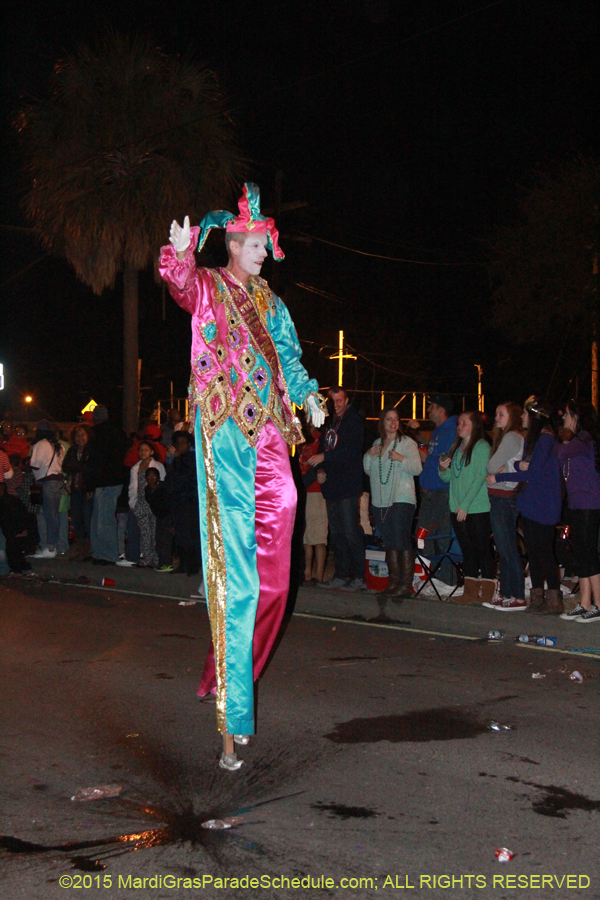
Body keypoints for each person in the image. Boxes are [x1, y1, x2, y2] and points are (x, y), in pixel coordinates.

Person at [159, 183, 325, 771]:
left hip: (272, 432)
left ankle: (225, 675)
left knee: (276, 585)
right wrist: (181, 255)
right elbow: (180, 286)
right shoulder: (208, 287)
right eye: (257, 244)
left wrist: (308, 395)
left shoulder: (271, 302)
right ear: (234, 243)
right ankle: (233, 714)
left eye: (265, 245)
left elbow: (290, 358)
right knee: (241, 583)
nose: (264, 253)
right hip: (227, 432)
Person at [490, 396, 562, 614]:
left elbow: (533, 472)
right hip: (530, 501)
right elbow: (524, 467)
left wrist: (500, 477)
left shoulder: (546, 439)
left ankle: (554, 599)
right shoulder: (534, 439)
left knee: (544, 551)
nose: (521, 417)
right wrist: (517, 466)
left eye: (524, 413)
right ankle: (537, 597)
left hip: (543, 503)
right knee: (534, 551)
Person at [311, 386, 365, 592]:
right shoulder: (330, 422)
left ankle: (359, 576)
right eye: (332, 401)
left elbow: (351, 451)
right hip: (331, 486)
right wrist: (320, 469)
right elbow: (323, 448)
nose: (336, 405)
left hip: (347, 485)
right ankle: (341, 574)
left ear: (347, 400)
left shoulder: (353, 421)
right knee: (337, 533)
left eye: (339, 400)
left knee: (351, 531)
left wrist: (325, 457)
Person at [364, 408, 422, 599]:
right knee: (389, 541)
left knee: (401, 540)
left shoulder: (407, 443)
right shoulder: (377, 444)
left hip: (401, 498)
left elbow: (417, 468)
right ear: (382, 422)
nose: (393, 422)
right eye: (389, 419)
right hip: (380, 501)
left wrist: (401, 458)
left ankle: (405, 585)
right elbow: (368, 470)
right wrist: (368, 455)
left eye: (396, 419)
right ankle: (393, 582)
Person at [439, 411, 493, 604]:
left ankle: (487, 591)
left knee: (482, 548)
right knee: (467, 549)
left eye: (464, 423)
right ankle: (470, 592)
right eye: (459, 423)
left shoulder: (481, 447)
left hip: (476, 507)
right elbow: (449, 478)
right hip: (458, 507)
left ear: (475, 426)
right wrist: (442, 468)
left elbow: (480, 477)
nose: (460, 426)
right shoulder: (456, 447)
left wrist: (465, 505)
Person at [556, 399, 600, 622]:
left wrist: (551, 438)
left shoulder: (583, 440)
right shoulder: (578, 441)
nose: (563, 418)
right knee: (581, 554)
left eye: (567, 414)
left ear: (576, 417)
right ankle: (584, 602)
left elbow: (560, 453)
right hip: (577, 503)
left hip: (589, 504)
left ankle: (598, 604)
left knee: (588, 553)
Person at [483, 402, 526, 610]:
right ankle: (506, 593)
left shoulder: (510, 437)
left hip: (503, 497)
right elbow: (494, 466)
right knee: (505, 546)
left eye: (501, 414)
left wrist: (497, 468)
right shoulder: (512, 437)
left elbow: (491, 466)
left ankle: (517, 595)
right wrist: (497, 467)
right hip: (502, 496)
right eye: (496, 414)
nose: (496, 418)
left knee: (507, 547)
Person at [411, 395, 458, 585]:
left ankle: (446, 582)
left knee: (441, 537)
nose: (429, 410)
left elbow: (445, 461)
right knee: (424, 536)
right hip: (430, 493)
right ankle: (429, 580)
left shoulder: (451, 431)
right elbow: (432, 457)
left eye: (432, 406)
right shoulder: (438, 431)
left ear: (441, 410)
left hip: (442, 493)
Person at [85, 404, 129, 565]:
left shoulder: (96, 434)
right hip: (114, 480)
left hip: (103, 481)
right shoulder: (117, 432)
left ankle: (106, 555)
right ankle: (100, 553)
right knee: (102, 519)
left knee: (102, 520)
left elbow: (95, 462)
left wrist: (90, 484)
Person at [164, 430, 201, 575]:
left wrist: (177, 459)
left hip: (189, 501)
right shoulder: (176, 459)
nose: (180, 446)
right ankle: (183, 563)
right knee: (180, 533)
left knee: (189, 534)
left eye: (183, 443)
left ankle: (192, 565)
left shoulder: (191, 458)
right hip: (178, 501)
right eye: (177, 443)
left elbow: (187, 476)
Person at [30, 419, 65, 559]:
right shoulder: (58, 445)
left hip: (47, 481)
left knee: (49, 515)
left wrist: (27, 463)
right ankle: (52, 546)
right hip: (57, 480)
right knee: (54, 514)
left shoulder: (41, 444)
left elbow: (36, 464)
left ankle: (50, 548)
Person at [127, 441, 166, 567]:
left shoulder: (158, 466)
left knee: (155, 532)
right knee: (145, 533)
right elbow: (133, 487)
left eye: (146, 450)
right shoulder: (135, 468)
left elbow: (163, 483)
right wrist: (133, 503)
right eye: (141, 450)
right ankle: (147, 558)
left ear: (152, 452)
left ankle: (157, 559)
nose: (143, 452)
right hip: (141, 504)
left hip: (154, 503)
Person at [298, 420, 328, 584]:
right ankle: (307, 572)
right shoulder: (302, 442)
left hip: (316, 491)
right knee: (306, 536)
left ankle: (318, 575)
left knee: (318, 536)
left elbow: (324, 464)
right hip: (304, 492)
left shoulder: (321, 440)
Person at [62, 423, 95, 560]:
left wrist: (90, 487)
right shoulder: (72, 451)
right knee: (76, 519)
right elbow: (65, 466)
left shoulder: (91, 451)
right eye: (77, 435)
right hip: (75, 490)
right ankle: (82, 548)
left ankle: (89, 549)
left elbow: (90, 469)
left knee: (88, 520)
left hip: (86, 489)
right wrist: (79, 466)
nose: (79, 438)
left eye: (82, 435)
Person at [145, 468, 173, 572]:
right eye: (148, 476)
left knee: (166, 541)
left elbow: (168, 504)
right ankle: (162, 563)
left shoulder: (164, 488)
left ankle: (167, 564)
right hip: (159, 517)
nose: (151, 479)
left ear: (158, 477)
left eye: (153, 476)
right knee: (159, 540)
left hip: (167, 517)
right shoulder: (147, 489)